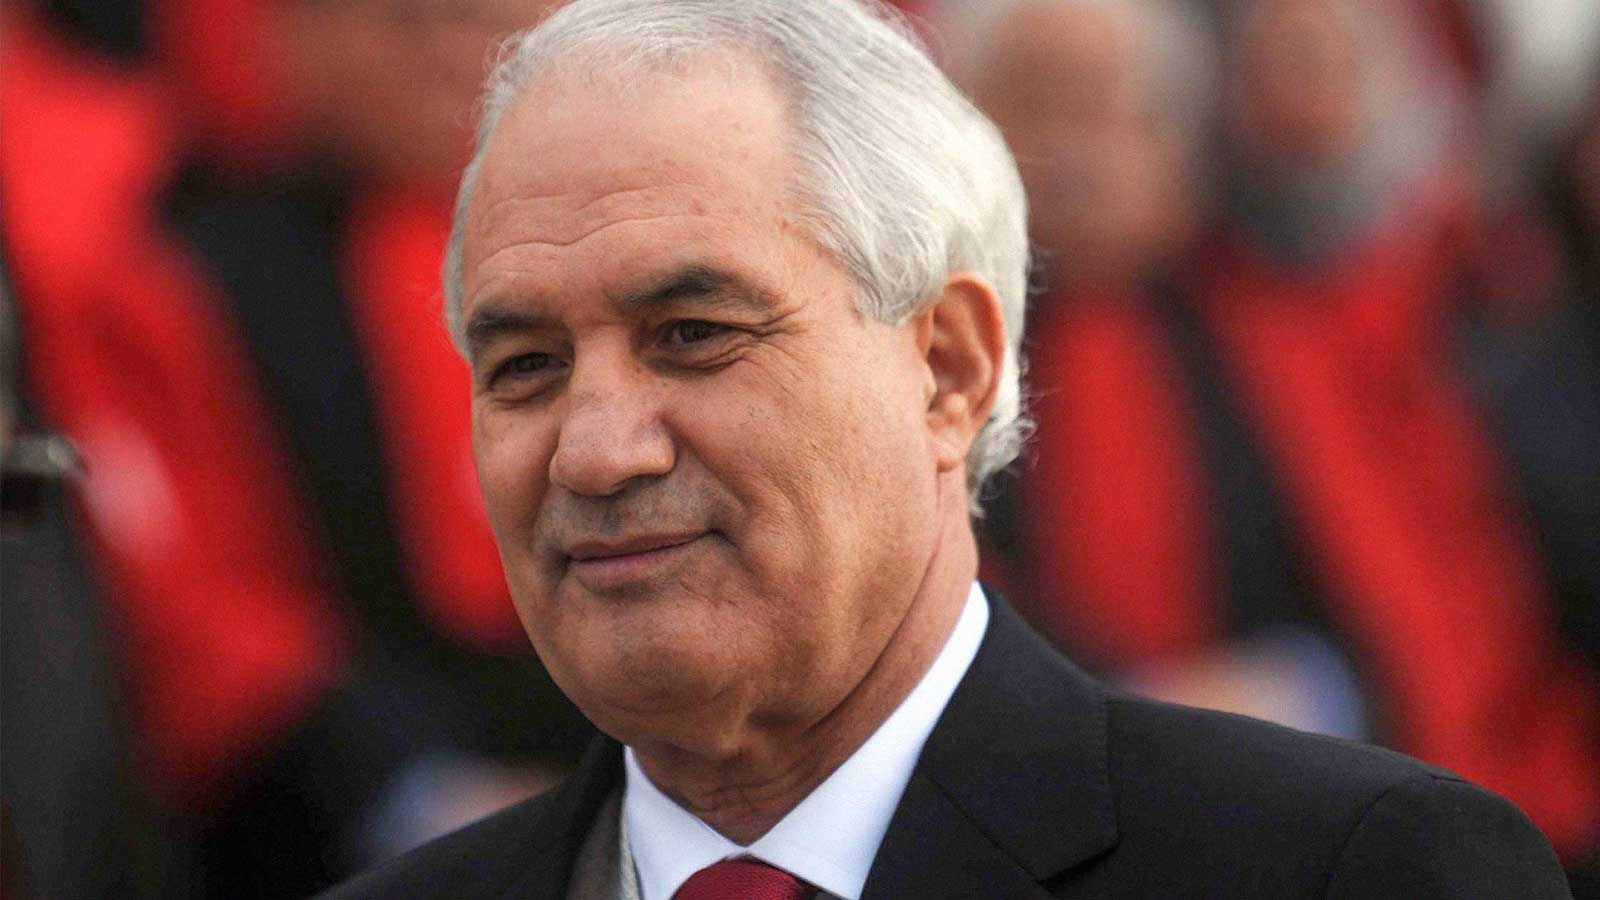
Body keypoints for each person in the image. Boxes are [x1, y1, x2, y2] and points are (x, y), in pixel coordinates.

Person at [321, 1, 1574, 897]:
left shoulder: (1356, 870)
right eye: (524, 367)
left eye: (694, 334)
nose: (594, 453)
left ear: (950, 368)